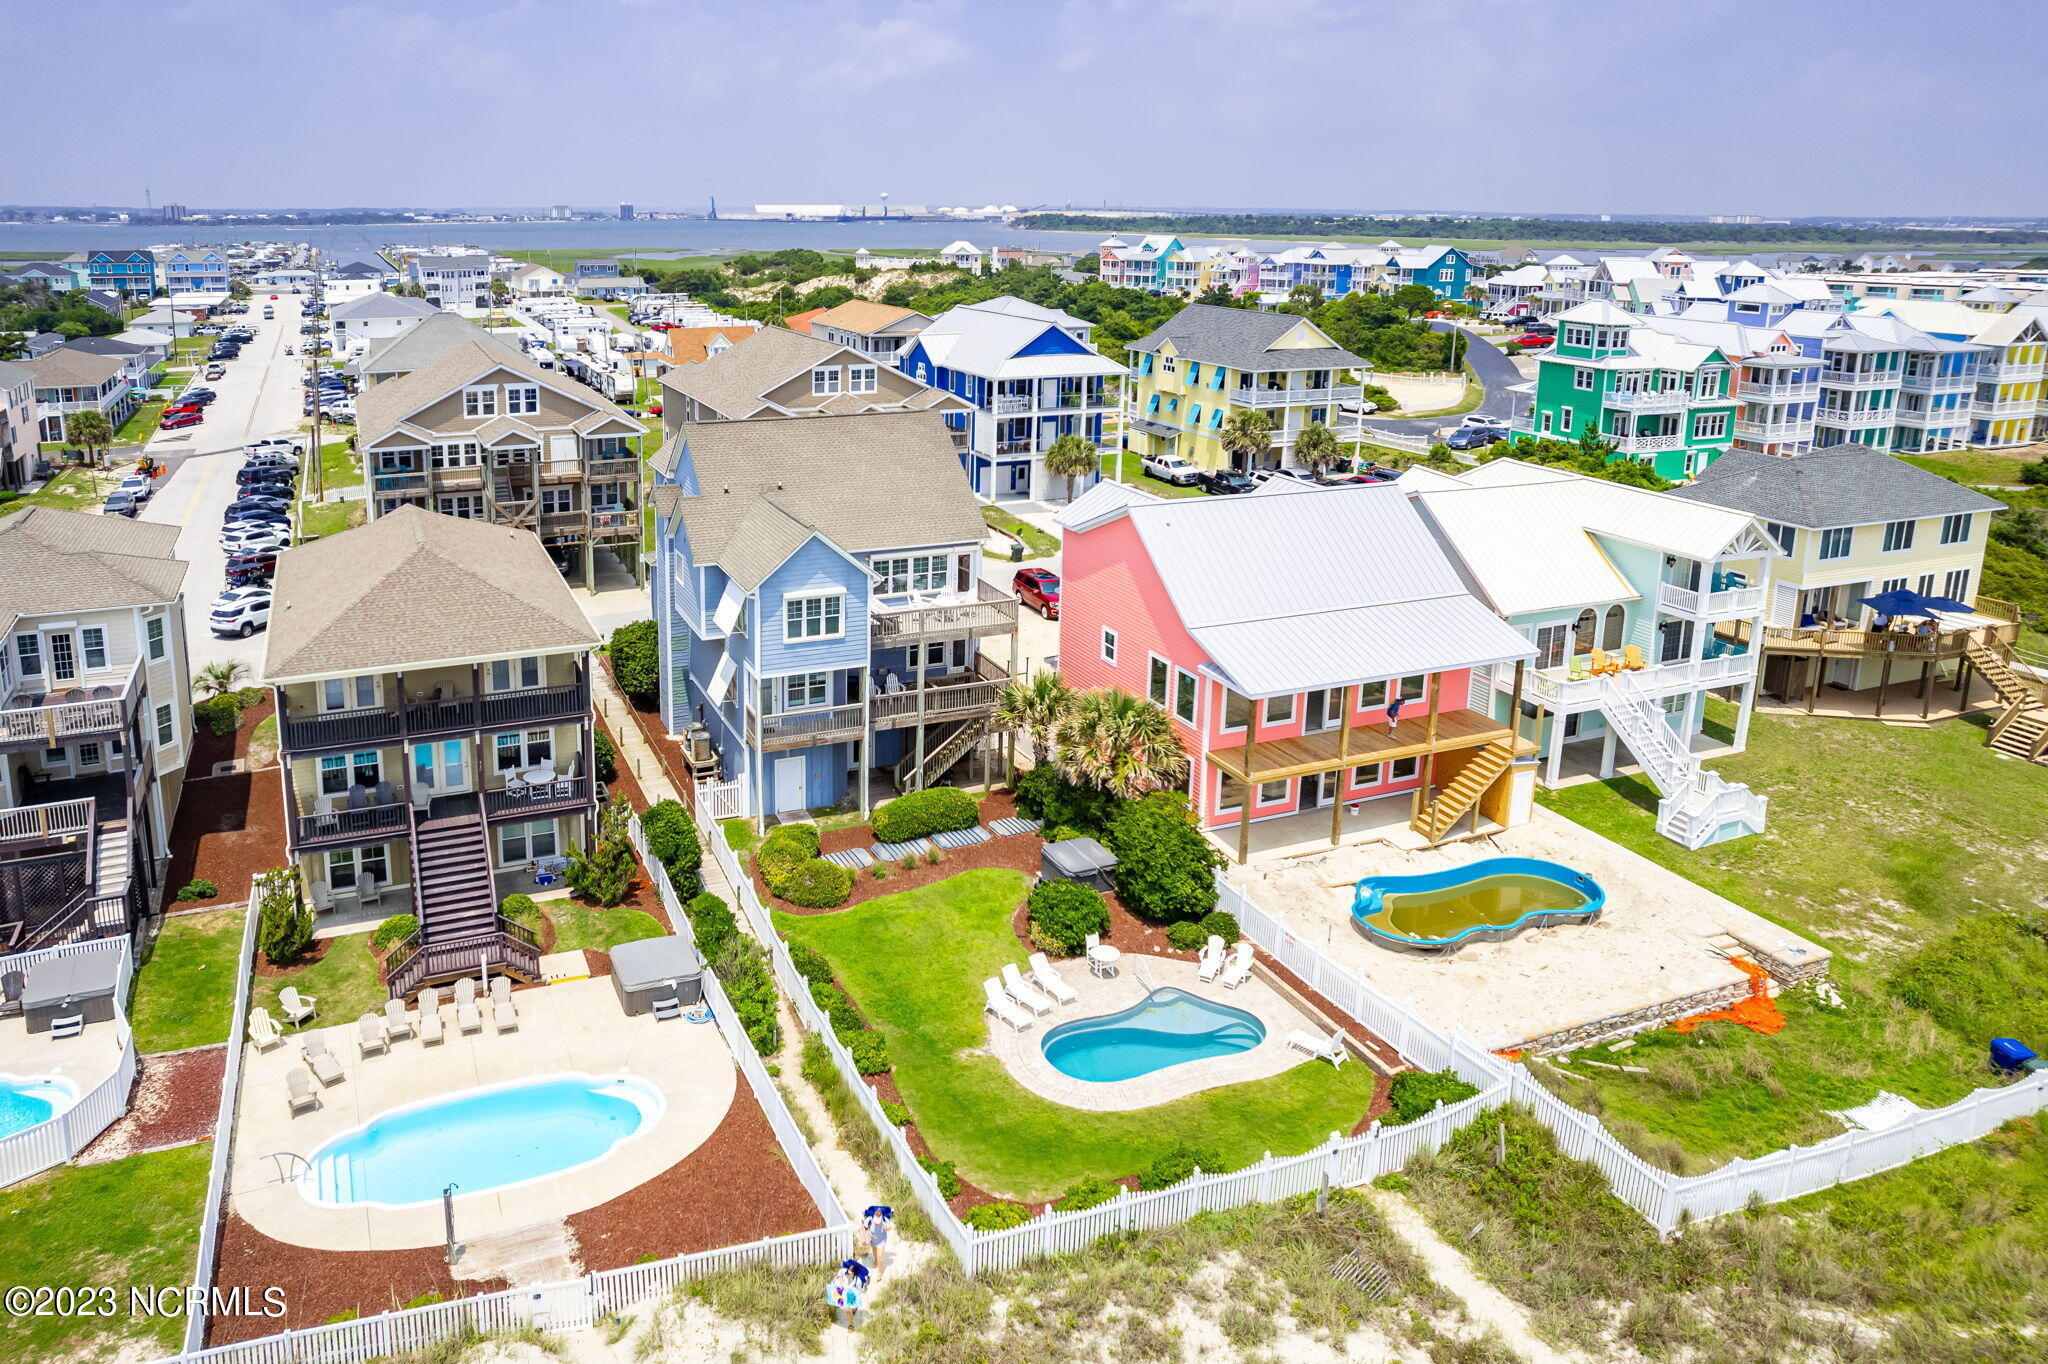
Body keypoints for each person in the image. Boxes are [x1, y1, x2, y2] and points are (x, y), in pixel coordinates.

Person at [862, 1205, 894, 1275]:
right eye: (877, 1212)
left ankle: (879, 1272)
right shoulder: (870, 1218)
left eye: (880, 1212)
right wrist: (863, 1238)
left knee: (880, 1257)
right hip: (872, 1240)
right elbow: (864, 1227)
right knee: (875, 1253)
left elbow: (890, 1226)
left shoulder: (884, 1219)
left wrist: (887, 1228)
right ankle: (876, 1260)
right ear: (874, 1213)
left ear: (881, 1213)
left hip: (881, 1240)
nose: (878, 1213)